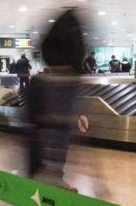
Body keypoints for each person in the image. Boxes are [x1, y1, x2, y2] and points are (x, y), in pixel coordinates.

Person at [27, 10, 84, 191]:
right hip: (43, 167)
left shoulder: (47, 83)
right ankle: (48, 176)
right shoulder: (61, 84)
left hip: (43, 167)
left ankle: (49, 175)